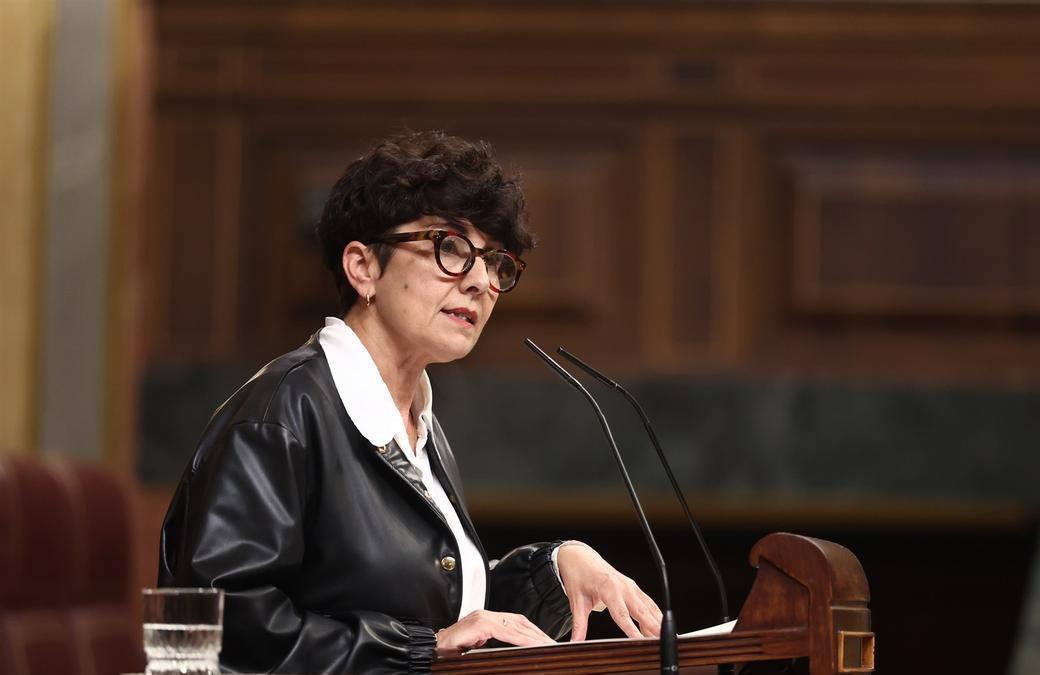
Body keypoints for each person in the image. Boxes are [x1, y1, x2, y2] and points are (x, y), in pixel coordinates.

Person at [158, 130, 662, 674]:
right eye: (449, 248)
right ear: (363, 267)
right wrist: (418, 648)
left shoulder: (417, 422)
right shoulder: (281, 414)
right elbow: (220, 629)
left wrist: (556, 570)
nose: (480, 282)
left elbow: (437, 612)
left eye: (496, 264)